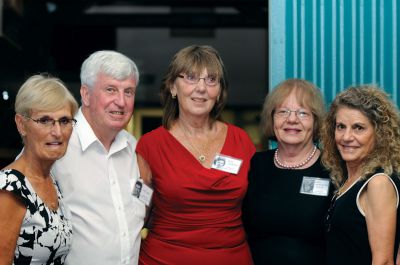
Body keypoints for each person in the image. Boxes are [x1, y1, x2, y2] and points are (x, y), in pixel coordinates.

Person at [136, 45, 256, 265]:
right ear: (173, 86)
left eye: (211, 80)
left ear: (219, 92)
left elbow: (257, 209)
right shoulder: (150, 146)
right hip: (164, 259)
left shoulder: (242, 142)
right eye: (191, 78)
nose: (201, 88)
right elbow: (137, 212)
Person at [52, 50, 146, 265]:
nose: (121, 102)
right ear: (85, 94)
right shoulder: (56, 144)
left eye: (129, 92)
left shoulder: (134, 148)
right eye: (111, 90)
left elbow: (144, 203)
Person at [242, 78, 332, 265]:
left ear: (315, 122)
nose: (292, 119)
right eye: (283, 112)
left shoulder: (333, 169)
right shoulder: (256, 165)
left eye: (303, 113)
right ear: (271, 118)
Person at [0, 74, 78, 264]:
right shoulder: (9, 188)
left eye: (65, 121)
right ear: (21, 124)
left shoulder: (50, 179)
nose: (58, 132)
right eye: (45, 120)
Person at [321, 85, 400, 265]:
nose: (346, 137)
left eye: (358, 128)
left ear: (379, 134)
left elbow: (384, 261)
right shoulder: (348, 180)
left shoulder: (378, 183)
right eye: (341, 126)